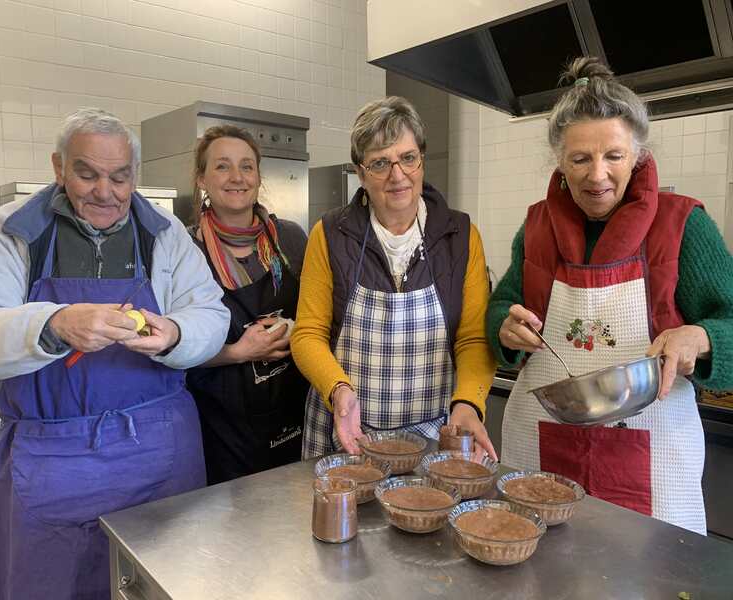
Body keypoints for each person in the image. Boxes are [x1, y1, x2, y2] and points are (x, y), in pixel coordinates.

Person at [0, 108, 230, 599]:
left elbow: (212, 315)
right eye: (87, 173)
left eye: (119, 177)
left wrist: (176, 334)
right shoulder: (12, 233)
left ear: (135, 174)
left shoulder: (165, 234)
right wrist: (52, 324)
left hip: (160, 452)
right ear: (59, 167)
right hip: (53, 459)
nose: (105, 192)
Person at [486, 58, 733, 535]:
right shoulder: (536, 227)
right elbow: (503, 305)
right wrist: (505, 326)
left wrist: (698, 337)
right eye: (580, 159)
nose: (597, 175)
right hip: (541, 444)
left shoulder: (684, 226)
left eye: (614, 156)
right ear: (559, 160)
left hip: (653, 452)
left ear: (638, 155)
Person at [292, 96, 497, 459]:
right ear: (360, 172)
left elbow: (473, 337)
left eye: (407, 158)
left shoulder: (460, 235)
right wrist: (338, 390)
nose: (397, 175)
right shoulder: (330, 234)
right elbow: (308, 333)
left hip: (434, 432)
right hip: (345, 431)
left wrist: (468, 403)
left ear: (421, 159)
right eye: (380, 163)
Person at [186, 125, 309, 484]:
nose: (237, 177)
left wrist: (295, 329)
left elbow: (322, 318)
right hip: (220, 428)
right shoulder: (184, 251)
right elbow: (171, 347)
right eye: (222, 166)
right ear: (202, 179)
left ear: (258, 177)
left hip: (291, 413)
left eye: (247, 166)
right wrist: (239, 352)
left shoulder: (290, 238)